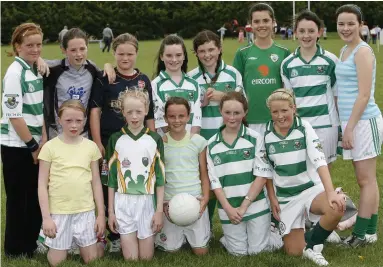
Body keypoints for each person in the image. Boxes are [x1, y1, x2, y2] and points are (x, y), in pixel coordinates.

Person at [262, 88, 345, 266]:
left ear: (294, 108)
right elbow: (266, 171)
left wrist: (330, 193)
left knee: (337, 205)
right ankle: (316, 232)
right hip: (286, 198)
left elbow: (320, 162)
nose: (280, 116)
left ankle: (313, 245)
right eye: (275, 111)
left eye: (284, 110)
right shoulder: (265, 133)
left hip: (310, 191)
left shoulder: (304, 127)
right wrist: (272, 197)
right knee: (293, 252)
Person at [90, 33, 155, 252]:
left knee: (136, 184)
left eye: (130, 53)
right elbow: (95, 111)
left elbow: (151, 113)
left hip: (137, 144)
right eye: (120, 54)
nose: (125, 58)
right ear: (114, 53)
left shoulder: (143, 80)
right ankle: (115, 234)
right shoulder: (104, 78)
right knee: (113, 184)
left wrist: (153, 139)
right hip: (111, 142)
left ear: (137, 53)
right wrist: (98, 142)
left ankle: (140, 228)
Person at [37, 100, 105, 267]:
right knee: (56, 262)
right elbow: (41, 185)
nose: (74, 125)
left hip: (85, 211)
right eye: (68, 121)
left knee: (92, 260)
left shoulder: (91, 147)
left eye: (78, 121)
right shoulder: (49, 147)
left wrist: (101, 215)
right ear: (59, 120)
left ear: (85, 120)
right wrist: (46, 218)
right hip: (60, 212)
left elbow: (96, 183)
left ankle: (98, 242)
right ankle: (57, 239)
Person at [335, 4, 382, 247]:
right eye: (341, 23)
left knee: (366, 180)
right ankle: (370, 232)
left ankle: (361, 234)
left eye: (350, 23)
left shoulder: (363, 52)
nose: (345, 28)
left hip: (364, 121)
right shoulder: (344, 49)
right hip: (353, 122)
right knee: (366, 179)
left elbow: (364, 95)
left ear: (361, 25)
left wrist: (350, 128)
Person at [206, 91, 275, 255]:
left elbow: (262, 175)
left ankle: (274, 232)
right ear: (220, 111)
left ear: (245, 112)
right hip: (229, 208)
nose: (232, 117)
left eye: (237, 113)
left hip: (255, 204)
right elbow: (214, 183)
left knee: (258, 252)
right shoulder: (211, 144)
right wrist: (229, 209)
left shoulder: (255, 138)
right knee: (238, 254)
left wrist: (244, 206)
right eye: (227, 112)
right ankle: (229, 239)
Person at [188, 29, 244, 231]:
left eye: (211, 49)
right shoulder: (191, 77)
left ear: (219, 49)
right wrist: (199, 104)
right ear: (196, 53)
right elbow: (187, 110)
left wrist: (224, 96)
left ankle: (236, 222)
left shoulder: (232, 73)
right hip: (203, 138)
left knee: (228, 181)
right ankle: (206, 226)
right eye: (202, 51)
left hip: (227, 138)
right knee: (206, 184)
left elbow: (243, 103)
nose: (207, 55)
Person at [104, 88, 165, 260]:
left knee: (146, 258)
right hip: (123, 202)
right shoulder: (116, 139)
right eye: (129, 112)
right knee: (131, 259)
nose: (134, 116)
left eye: (139, 111)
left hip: (147, 201)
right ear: (122, 112)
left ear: (146, 110)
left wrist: (159, 211)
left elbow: (160, 179)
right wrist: (112, 212)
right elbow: (112, 180)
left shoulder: (154, 139)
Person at [0, 22, 45, 258]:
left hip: (34, 144)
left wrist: (43, 138)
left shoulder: (34, 68)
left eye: (38, 44)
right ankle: (14, 250)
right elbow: (14, 115)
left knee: (33, 197)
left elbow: (39, 110)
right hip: (17, 146)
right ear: (17, 46)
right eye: (29, 45)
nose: (35, 49)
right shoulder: (14, 73)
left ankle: (30, 244)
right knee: (18, 199)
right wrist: (33, 146)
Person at [281, 10, 340, 168]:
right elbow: (289, 98)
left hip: (326, 126)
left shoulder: (331, 60)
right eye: (302, 31)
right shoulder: (287, 64)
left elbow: (336, 96)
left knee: (325, 173)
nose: (306, 35)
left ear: (319, 32)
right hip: (300, 125)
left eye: (311, 31)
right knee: (303, 172)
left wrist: (342, 126)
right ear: (295, 33)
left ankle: (329, 194)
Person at [155, 97, 210, 255]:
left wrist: (205, 199)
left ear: (188, 117)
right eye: (172, 116)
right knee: (171, 250)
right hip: (170, 203)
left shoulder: (198, 141)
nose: (177, 120)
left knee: (201, 252)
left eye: (181, 116)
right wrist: (162, 203)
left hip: (195, 201)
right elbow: (159, 177)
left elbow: (204, 174)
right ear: (165, 118)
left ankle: (194, 235)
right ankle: (177, 236)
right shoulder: (160, 143)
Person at [233, 3, 290, 137]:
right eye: (257, 21)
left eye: (266, 20)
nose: (261, 25)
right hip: (250, 119)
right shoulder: (242, 53)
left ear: (273, 22)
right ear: (251, 25)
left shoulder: (284, 53)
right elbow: (236, 89)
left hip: (278, 119)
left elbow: (289, 88)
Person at [41, 28, 103, 140]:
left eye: (82, 49)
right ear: (63, 50)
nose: (79, 54)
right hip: (57, 135)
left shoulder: (92, 69)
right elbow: (28, 61)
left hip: (83, 136)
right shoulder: (54, 69)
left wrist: (108, 66)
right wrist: (38, 60)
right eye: (73, 50)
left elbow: (107, 76)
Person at [152, 34, 202, 136]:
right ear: (162, 56)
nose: (174, 60)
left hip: (190, 143)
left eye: (178, 55)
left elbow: (197, 118)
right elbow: (160, 118)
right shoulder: (155, 85)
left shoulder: (194, 84)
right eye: (169, 55)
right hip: (167, 143)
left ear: (184, 56)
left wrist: (190, 140)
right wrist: (177, 141)